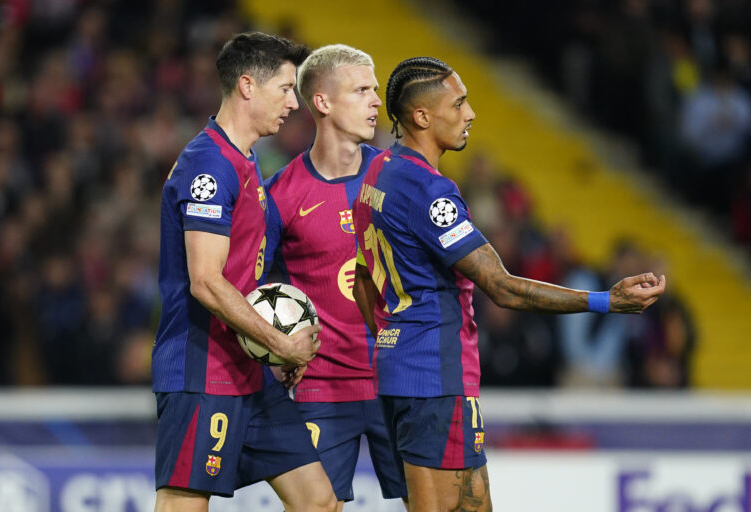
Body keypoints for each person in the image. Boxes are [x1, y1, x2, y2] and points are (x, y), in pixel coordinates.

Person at [351, 56, 667, 512]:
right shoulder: (428, 190)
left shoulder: (375, 175)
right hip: (434, 378)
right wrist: (606, 301)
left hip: (407, 370)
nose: (470, 113)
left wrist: (388, 339)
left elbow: (362, 278)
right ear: (421, 116)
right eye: (458, 104)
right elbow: (503, 287)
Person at [151, 32, 336, 512]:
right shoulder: (209, 166)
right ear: (248, 86)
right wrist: (280, 342)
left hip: (250, 371)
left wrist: (270, 349)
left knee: (320, 502)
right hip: (202, 370)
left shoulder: (247, 161)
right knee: (183, 505)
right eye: (285, 89)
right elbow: (206, 281)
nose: (294, 103)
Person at [263, 44, 408, 511]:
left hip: (401, 381)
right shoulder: (280, 195)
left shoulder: (403, 180)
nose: (376, 101)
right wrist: (272, 349)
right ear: (322, 102)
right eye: (361, 89)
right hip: (320, 386)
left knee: (435, 506)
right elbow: (252, 286)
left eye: (375, 89)